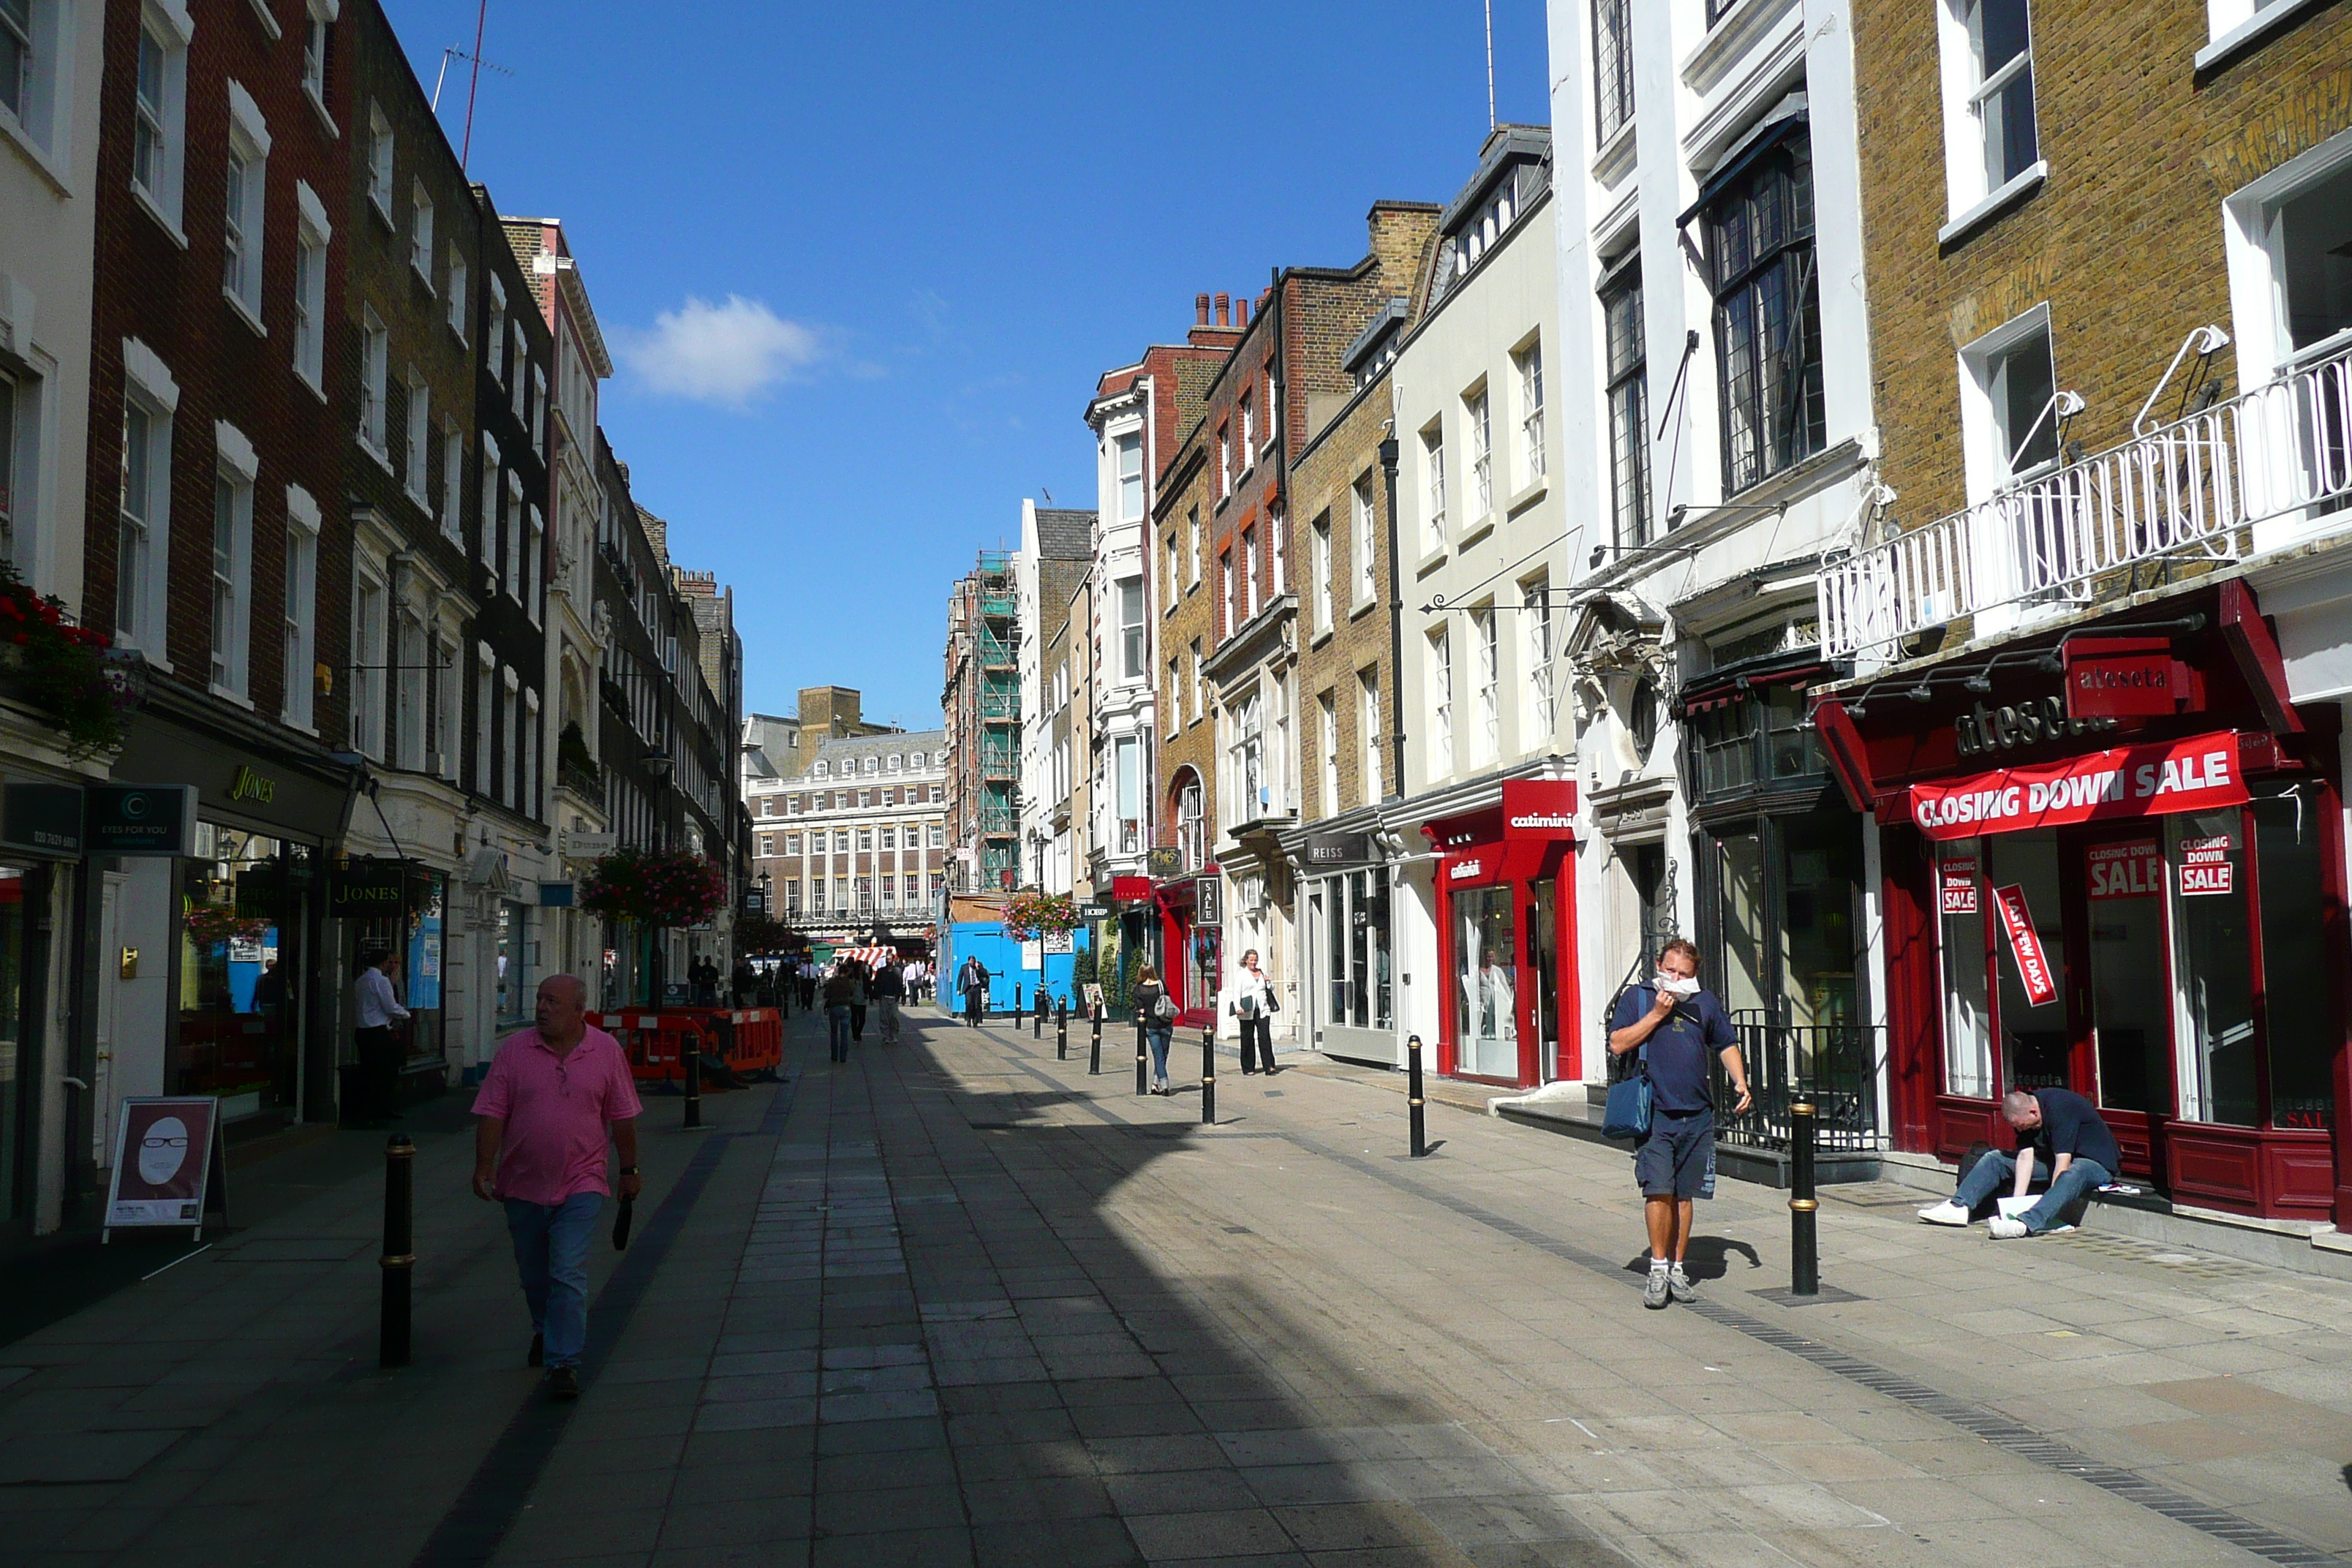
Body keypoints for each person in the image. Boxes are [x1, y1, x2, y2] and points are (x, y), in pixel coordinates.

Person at [471, 974, 643, 1401]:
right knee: (534, 1274)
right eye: (539, 999)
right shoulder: (514, 1050)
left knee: (566, 1270)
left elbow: (622, 1115)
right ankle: (544, 1329)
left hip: (582, 1180)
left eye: (553, 1001)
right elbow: (492, 1111)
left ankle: (563, 1362)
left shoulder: (604, 1051)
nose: (542, 1008)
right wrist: (483, 1165)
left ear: (578, 1010)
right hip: (523, 1182)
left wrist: (629, 1170)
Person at [1607, 938, 1753, 1310]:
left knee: (1684, 1194)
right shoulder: (1638, 999)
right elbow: (1618, 1044)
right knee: (1658, 1189)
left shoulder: (1705, 1003)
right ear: (1658, 965)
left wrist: (1740, 1081)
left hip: (1697, 1112)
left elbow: (1726, 1043)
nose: (1676, 979)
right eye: (1670, 970)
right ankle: (1657, 1268)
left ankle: (1677, 1267)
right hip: (1654, 1112)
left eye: (1684, 974)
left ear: (1695, 975)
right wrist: (1656, 1014)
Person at [1918, 1086, 2120, 1237]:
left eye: (2021, 1125)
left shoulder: (2061, 1106)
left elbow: (2063, 1163)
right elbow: (2025, 1158)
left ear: (2033, 1112)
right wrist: (2014, 1206)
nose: (2021, 1129)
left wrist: (2051, 1208)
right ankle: (1959, 1207)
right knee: (1995, 1158)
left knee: (2072, 1173)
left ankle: (2029, 1223)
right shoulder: (2025, 1118)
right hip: (2057, 1162)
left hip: (2095, 1163)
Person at [353, 943, 410, 1126]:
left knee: (369, 1071)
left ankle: (368, 1111)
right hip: (378, 1031)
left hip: (362, 1031)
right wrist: (406, 1014)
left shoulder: (361, 980)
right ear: (384, 963)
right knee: (385, 1072)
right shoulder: (381, 981)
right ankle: (380, 1109)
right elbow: (390, 1006)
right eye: (388, 962)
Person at [1232, 949, 1277, 1075]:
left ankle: (1269, 1065)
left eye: (1255, 960)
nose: (1254, 962)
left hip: (1263, 1009)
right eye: (1251, 960)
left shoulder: (1262, 972)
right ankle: (1248, 1067)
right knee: (1247, 1038)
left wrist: (1268, 981)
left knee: (1265, 1037)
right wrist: (1237, 1007)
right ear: (1246, 960)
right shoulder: (1241, 975)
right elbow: (1236, 992)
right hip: (1246, 1010)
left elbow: (1270, 989)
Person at [1135, 963, 1174, 1095]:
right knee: (1163, 1055)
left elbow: (1141, 1010)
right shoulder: (1161, 985)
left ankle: (1164, 1085)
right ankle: (1155, 1085)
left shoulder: (1138, 989)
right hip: (1166, 1024)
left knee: (1159, 1056)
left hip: (1151, 1027)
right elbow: (1168, 999)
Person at [822, 963, 859, 1063]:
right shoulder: (850, 982)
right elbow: (853, 993)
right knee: (844, 1034)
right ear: (847, 972)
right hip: (846, 1007)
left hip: (834, 1008)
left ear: (838, 972)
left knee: (834, 1033)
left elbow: (826, 995)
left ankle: (834, 1056)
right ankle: (843, 1057)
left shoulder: (833, 982)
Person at [872, 958, 906, 1043]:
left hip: (894, 997)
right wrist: (876, 995)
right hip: (884, 996)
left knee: (894, 1017)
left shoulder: (897, 971)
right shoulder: (881, 971)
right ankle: (885, 1036)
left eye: (890, 959)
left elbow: (900, 984)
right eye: (887, 959)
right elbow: (877, 983)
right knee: (884, 1017)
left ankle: (894, 1035)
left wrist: (903, 996)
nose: (889, 961)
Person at [845, 959, 871, 1042]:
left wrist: (871, 997)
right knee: (854, 1018)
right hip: (854, 999)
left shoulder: (865, 976)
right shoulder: (852, 976)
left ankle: (858, 1032)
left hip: (863, 999)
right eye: (862, 966)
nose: (864, 967)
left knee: (862, 1019)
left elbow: (869, 987)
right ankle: (855, 1035)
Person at [960, 955, 990, 1027]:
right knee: (969, 1004)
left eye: (973, 961)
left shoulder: (979, 967)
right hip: (968, 988)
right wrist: (959, 989)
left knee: (977, 1005)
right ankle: (968, 1020)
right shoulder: (964, 967)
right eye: (971, 961)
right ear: (968, 961)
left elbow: (985, 974)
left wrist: (978, 968)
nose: (972, 963)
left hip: (977, 987)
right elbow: (960, 978)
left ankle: (975, 1021)